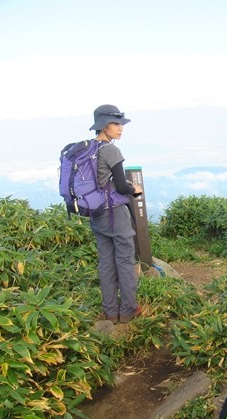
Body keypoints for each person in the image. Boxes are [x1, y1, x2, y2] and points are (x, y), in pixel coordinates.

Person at [88, 104, 142, 323]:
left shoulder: (89, 149)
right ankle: (128, 310)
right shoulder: (110, 150)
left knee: (106, 263)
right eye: (115, 124)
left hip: (96, 213)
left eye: (121, 124)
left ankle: (110, 312)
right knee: (125, 261)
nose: (120, 128)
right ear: (103, 126)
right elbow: (121, 186)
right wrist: (134, 189)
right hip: (115, 214)